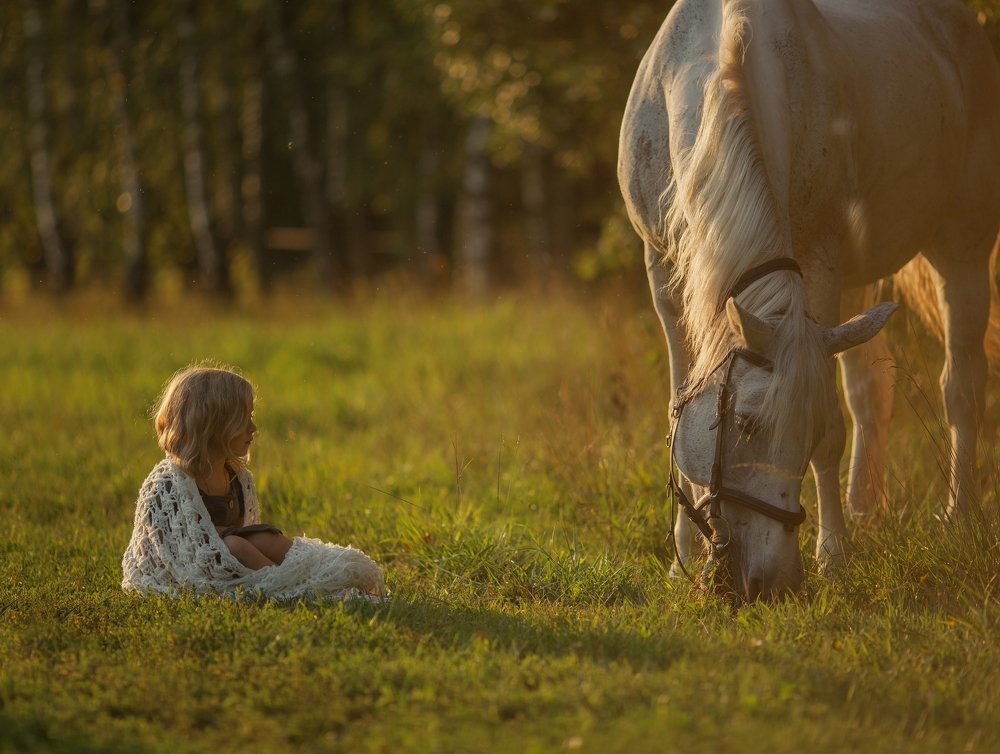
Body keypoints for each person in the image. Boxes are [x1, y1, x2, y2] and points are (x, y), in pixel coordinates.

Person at [122, 364, 385, 600]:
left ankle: (322, 570)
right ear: (213, 426)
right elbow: (155, 550)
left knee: (265, 537)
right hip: (197, 567)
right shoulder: (168, 484)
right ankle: (289, 588)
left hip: (232, 558)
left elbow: (242, 529)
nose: (253, 428)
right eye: (244, 419)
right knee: (235, 545)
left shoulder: (235, 475)